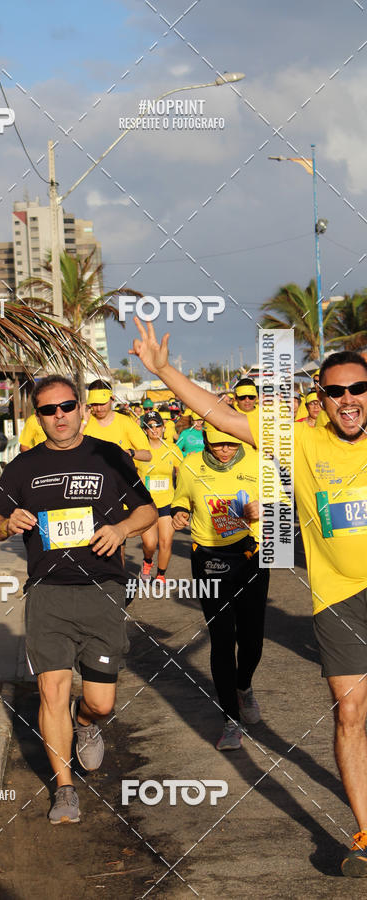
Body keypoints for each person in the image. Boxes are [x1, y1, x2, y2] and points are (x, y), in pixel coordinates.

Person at [130, 321, 367, 876]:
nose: (349, 401)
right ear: (322, 398)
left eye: (359, 389)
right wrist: (163, 370)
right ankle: (364, 830)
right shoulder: (299, 439)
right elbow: (220, 415)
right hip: (338, 598)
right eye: (336, 392)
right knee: (351, 712)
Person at [0, 375, 157, 825]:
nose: (58, 416)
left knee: (100, 702)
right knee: (52, 689)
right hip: (48, 592)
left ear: (80, 408)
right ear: (37, 417)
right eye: (47, 409)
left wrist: (121, 530)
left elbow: (147, 510)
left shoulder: (108, 456)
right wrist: (7, 525)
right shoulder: (23, 466)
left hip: (102, 590)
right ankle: (64, 790)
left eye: (65, 406)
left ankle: (86, 724)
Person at [170, 422, 269, 749]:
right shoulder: (191, 463)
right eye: (217, 445)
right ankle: (230, 719)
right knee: (222, 639)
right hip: (208, 558)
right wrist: (180, 512)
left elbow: (282, 504)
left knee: (252, 638)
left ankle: (244, 686)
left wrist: (263, 508)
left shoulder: (256, 461)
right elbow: (181, 498)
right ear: (206, 440)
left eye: (230, 445)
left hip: (251, 555)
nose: (225, 451)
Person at [137, 411, 182, 581]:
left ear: (164, 428)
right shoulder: (140, 451)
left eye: (157, 425)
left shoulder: (172, 448)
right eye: (150, 426)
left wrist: (181, 500)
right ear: (145, 430)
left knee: (165, 542)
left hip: (167, 502)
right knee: (150, 544)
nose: (154, 429)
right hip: (146, 504)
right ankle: (147, 561)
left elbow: (182, 474)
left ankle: (161, 575)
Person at [83, 381, 151, 462]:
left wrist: (129, 452)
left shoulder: (126, 422)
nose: (98, 408)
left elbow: (148, 455)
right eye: (94, 404)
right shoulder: (85, 423)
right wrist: (83, 421)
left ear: (112, 399)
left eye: (102, 403)